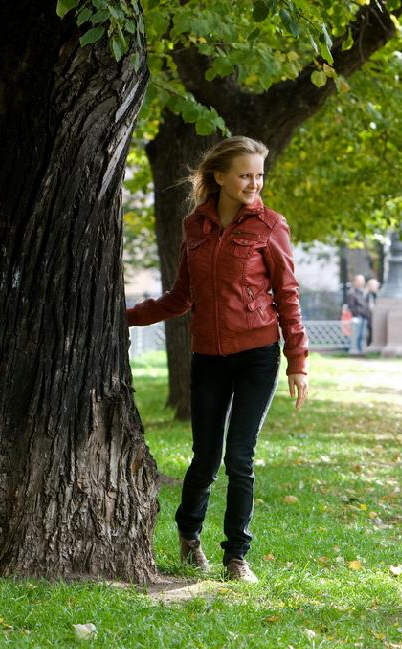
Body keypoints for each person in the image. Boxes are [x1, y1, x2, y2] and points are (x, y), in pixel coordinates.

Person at [126, 136, 309, 584]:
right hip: (208, 355)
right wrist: (124, 317)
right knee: (205, 456)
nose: (254, 183)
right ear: (220, 176)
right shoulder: (194, 226)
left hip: (258, 355)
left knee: (240, 456)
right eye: (245, 174)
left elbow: (287, 295)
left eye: (259, 175)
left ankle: (236, 556)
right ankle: (189, 536)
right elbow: (180, 297)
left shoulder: (270, 226)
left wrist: (297, 360)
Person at [346, 274, 368, 354]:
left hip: (364, 316)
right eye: (359, 280)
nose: (361, 282)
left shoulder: (364, 292)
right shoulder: (352, 292)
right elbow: (351, 305)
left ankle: (361, 351)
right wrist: (357, 313)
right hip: (357, 317)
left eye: (362, 280)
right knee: (356, 335)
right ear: (355, 282)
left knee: (362, 335)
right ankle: (356, 351)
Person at [365, 278, 380, 346]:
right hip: (368, 318)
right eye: (375, 285)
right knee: (369, 335)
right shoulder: (366, 294)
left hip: (375, 318)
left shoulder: (377, 294)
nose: (376, 287)